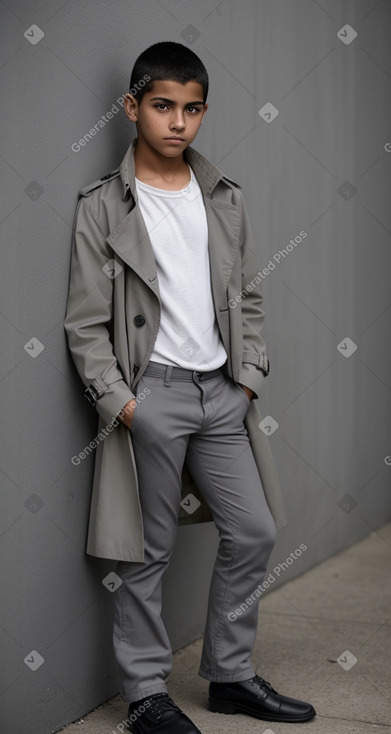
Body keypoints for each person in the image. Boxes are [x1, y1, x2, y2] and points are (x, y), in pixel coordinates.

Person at [64, 41, 316, 734]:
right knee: (146, 551)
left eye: (192, 108)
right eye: (162, 106)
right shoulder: (102, 207)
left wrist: (249, 383)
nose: (178, 123)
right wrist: (127, 406)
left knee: (255, 530)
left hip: (220, 394)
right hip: (153, 397)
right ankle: (146, 695)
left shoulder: (221, 197)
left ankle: (230, 677)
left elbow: (249, 300)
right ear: (133, 107)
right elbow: (84, 326)